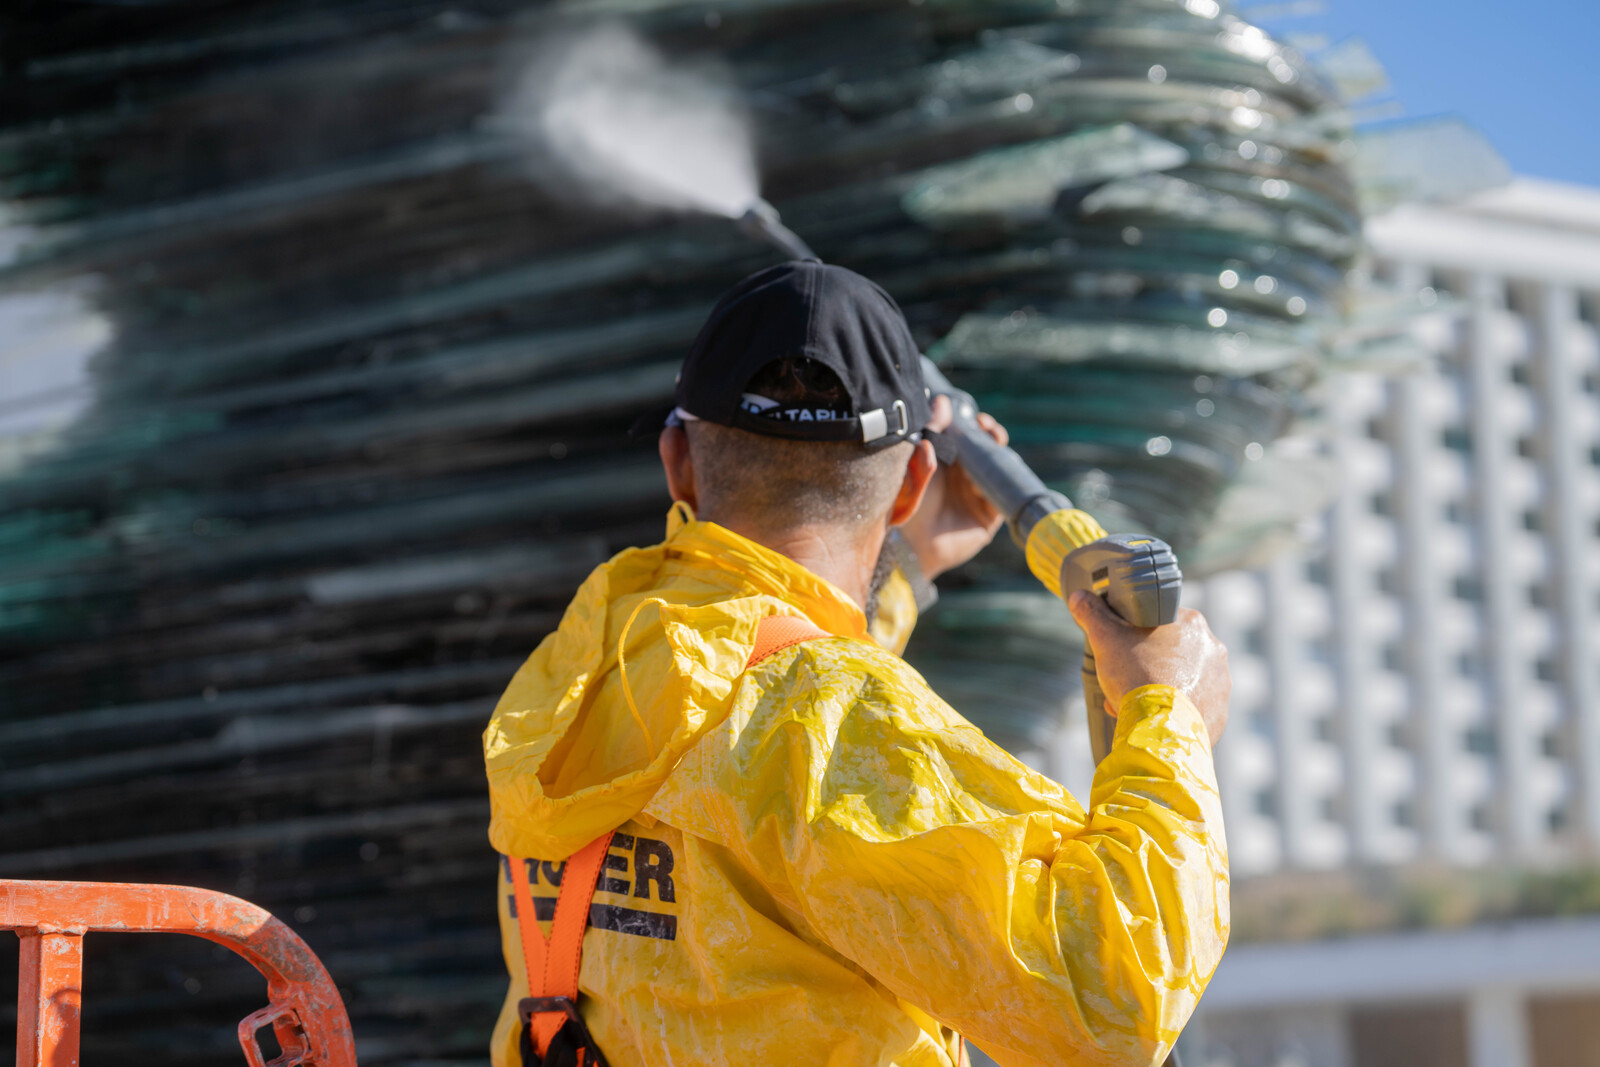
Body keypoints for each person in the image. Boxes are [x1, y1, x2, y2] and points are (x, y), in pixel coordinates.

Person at [483, 261, 1231, 1067]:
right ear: (912, 484)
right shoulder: (825, 721)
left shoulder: (594, 653)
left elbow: (778, 730)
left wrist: (904, 570)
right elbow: (1109, 1002)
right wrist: (1169, 720)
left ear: (678, 463)